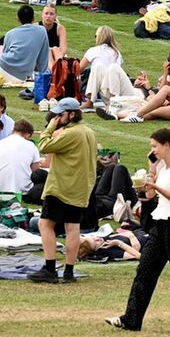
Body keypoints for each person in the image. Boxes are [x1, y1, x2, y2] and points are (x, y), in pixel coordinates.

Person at [108, 128, 170, 333]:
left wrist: (157, 187)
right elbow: (149, 195)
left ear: (167, 144)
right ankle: (131, 319)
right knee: (144, 271)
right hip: (158, 223)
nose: (153, 150)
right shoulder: (161, 167)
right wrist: (150, 173)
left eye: (155, 146)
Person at [28, 98, 98, 284]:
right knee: (72, 227)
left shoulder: (71, 133)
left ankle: (50, 268)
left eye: (60, 115)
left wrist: (49, 128)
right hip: (80, 187)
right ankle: (69, 271)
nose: (57, 118)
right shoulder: (89, 132)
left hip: (62, 186)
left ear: (72, 114)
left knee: (45, 225)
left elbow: (44, 146)